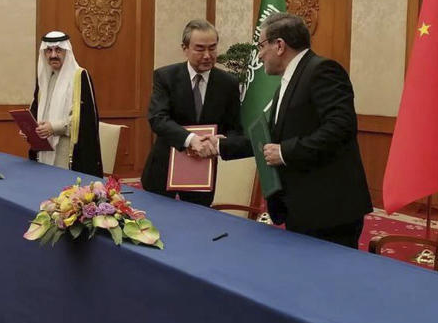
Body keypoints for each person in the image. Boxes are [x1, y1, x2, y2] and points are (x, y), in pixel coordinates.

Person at [257, 13, 372, 248]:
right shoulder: (289, 80)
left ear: (279, 45)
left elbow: (340, 128)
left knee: (331, 283)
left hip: (329, 212)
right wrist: (218, 145)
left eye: (261, 45)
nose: (259, 55)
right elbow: (270, 138)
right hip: (302, 208)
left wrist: (286, 152)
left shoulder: (322, 71)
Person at [141, 19, 250, 207]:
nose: (207, 55)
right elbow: (158, 119)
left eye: (213, 48)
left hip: (204, 172)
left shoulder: (228, 83)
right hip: (163, 169)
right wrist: (191, 139)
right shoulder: (165, 77)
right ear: (185, 48)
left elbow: (235, 129)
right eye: (200, 49)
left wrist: (221, 142)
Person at [28, 31, 102, 178]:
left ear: (67, 52)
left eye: (58, 50)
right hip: (43, 150)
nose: (53, 55)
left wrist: (53, 127)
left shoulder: (80, 76)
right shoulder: (45, 77)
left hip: (67, 153)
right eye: (49, 50)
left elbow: (85, 120)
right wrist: (29, 129)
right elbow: (36, 110)